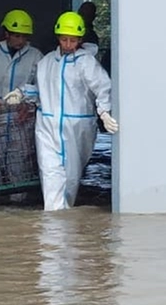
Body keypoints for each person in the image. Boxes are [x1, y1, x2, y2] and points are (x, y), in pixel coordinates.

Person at [34, 11, 117, 211]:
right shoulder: (46, 63)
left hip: (78, 128)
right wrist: (21, 93)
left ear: (80, 40)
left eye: (73, 40)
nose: (68, 44)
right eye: (64, 39)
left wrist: (104, 112)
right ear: (58, 38)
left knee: (70, 178)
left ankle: (62, 230)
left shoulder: (86, 63)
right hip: (46, 126)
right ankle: (55, 230)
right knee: (51, 175)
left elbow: (103, 87)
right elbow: (39, 91)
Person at [0, 9, 44, 187]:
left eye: (24, 37)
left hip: (20, 116)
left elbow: (43, 85)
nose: (20, 41)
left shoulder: (36, 56)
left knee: (20, 161)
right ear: (6, 33)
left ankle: (18, 205)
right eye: (16, 36)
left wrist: (28, 103)